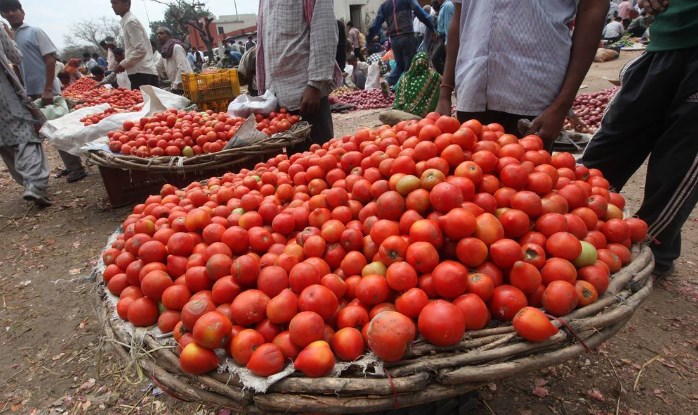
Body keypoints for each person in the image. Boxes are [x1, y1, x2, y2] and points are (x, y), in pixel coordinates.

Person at [582, 0, 698, 279]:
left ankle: (652, 250)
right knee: (608, 146)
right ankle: (575, 224)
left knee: (677, 166)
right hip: (664, 41)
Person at [436, 1, 608, 151]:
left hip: (533, 98)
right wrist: (445, 92)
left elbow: (593, 7)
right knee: (465, 181)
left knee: (528, 184)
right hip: (472, 89)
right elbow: (459, 18)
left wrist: (562, 105)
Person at [1, 0, 88, 183]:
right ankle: (43, 175)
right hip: (27, 93)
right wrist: (22, 89)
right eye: (5, 11)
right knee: (39, 131)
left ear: (22, 12)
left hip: (46, 91)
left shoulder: (35, 31)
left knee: (58, 129)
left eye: (14, 10)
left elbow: (50, 60)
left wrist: (48, 89)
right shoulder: (10, 38)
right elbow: (16, 65)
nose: (10, 14)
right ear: (2, 15)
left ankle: (76, 168)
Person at [257, 0, 339, 151]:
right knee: (290, 168)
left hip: (306, 96)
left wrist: (315, 85)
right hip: (277, 101)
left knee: (318, 161)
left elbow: (324, 31)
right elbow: (264, 43)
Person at [0, 22, 51, 206]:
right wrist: (10, 38)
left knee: (4, 143)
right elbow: (16, 57)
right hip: (4, 97)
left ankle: (26, 182)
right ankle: (34, 184)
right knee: (25, 137)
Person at [369, 0, 435, 86]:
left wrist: (368, 41)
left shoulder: (384, 6)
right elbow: (421, 13)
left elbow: (375, 25)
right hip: (406, 36)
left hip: (394, 40)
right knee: (411, 66)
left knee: (400, 66)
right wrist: (432, 27)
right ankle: (408, 89)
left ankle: (387, 82)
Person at [110, 0, 159, 90]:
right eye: (112, 3)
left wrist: (123, 64)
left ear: (126, 4)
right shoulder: (127, 21)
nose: (112, 6)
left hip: (142, 72)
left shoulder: (130, 22)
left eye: (115, 3)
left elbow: (140, 49)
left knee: (145, 103)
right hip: (141, 72)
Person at [154, 26, 192, 94]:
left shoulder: (176, 47)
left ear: (169, 35)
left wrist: (174, 86)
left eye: (161, 33)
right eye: (157, 34)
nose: (158, 36)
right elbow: (157, 67)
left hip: (187, 86)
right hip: (177, 88)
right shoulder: (164, 52)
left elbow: (182, 68)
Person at [432, 0, 455, 74]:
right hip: (443, 38)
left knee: (435, 59)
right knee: (444, 60)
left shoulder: (447, 6)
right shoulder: (444, 6)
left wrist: (447, 43)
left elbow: (448, 26)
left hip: (445, 39)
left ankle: (448, 78)